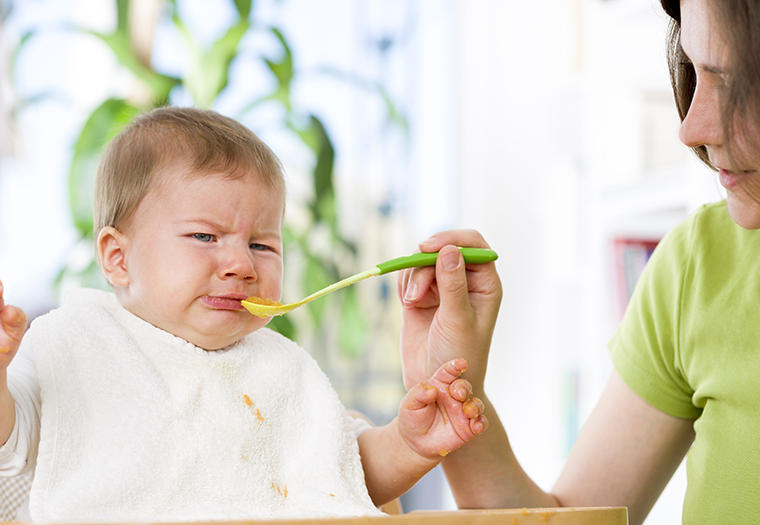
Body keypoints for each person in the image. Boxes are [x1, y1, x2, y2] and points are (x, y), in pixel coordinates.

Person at [0, 106, 487, 522]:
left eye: (261, 244)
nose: (242, 265)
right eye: (205, 237)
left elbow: (343, 473)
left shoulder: (279, 367)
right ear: (118, 258)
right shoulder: (74, 342)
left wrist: (408, 443)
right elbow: (10, 446)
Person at [395, 0, 760, 524]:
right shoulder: (696, 267)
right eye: (695, 72)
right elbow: (569, 519)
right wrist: (450, 386)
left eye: (728, 82)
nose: (692, 127)